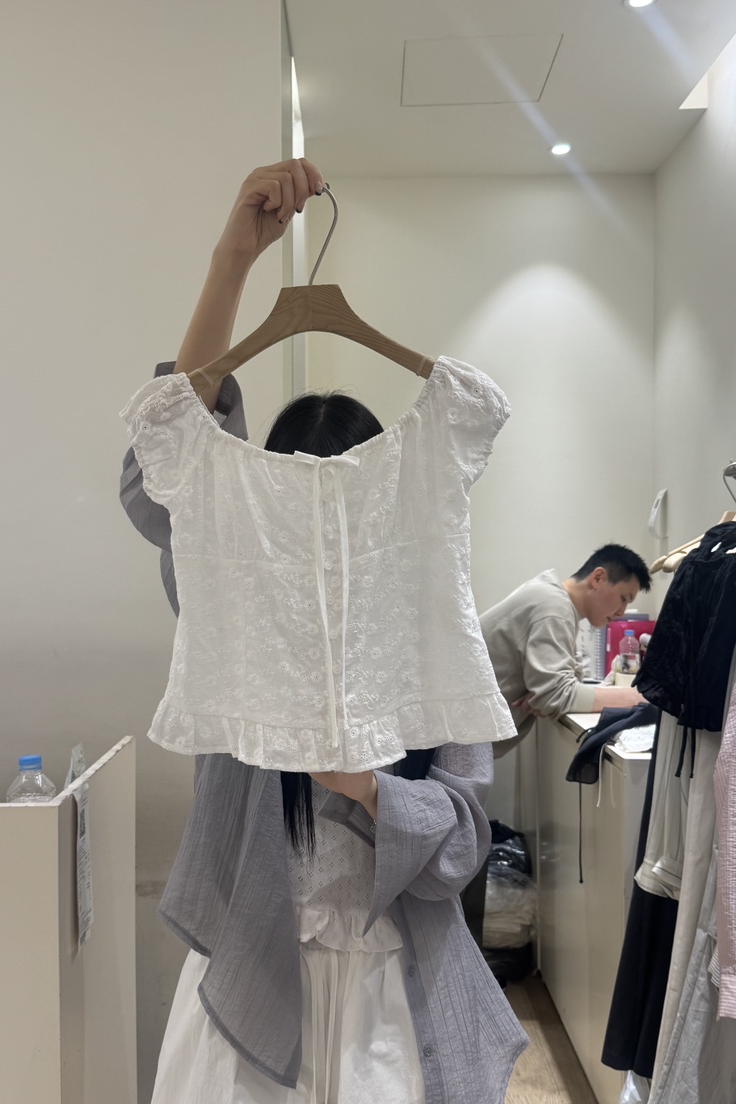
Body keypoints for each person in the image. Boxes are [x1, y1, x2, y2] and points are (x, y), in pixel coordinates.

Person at [120, 159, 527, 1103]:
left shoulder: (429, 619)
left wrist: (365, 785)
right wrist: (232, 264)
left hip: (393, 987)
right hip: (252, 969)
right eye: (292, 516)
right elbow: (166, 468)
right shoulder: (236, 598)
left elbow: (462, 840)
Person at [479, 544, 652, 754]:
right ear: (598, 578)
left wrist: (545, 695)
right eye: (623, 598)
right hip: (458, 742)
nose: (621, 613)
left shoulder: (555, 600)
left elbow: (563, 686)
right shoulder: (554, 608)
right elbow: (556, 696)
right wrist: (638, 697)